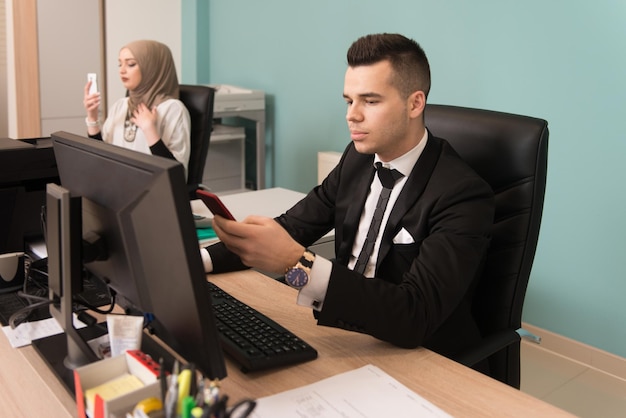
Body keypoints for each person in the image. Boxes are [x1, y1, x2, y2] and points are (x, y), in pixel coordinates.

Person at [203, 33, 495, 365]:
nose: (351, 116)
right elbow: (290, 228)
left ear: (415, 103)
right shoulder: (357, 160)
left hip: (415, 353)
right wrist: (199, 261)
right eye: (348, 100)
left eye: (370, 101)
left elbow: (416, 315)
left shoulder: (463, 194)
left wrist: (296, 265)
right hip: (343, 330)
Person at [83, 40, 191, 176]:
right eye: (119, 64)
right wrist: (92, 117)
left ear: (152, 68)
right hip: (118, 187)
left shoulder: (173, 109)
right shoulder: (120, 106)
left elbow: (177, 175)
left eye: (131, 64)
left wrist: (150, 130)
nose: (122, 70)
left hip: (152, 192)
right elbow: (101, 159)